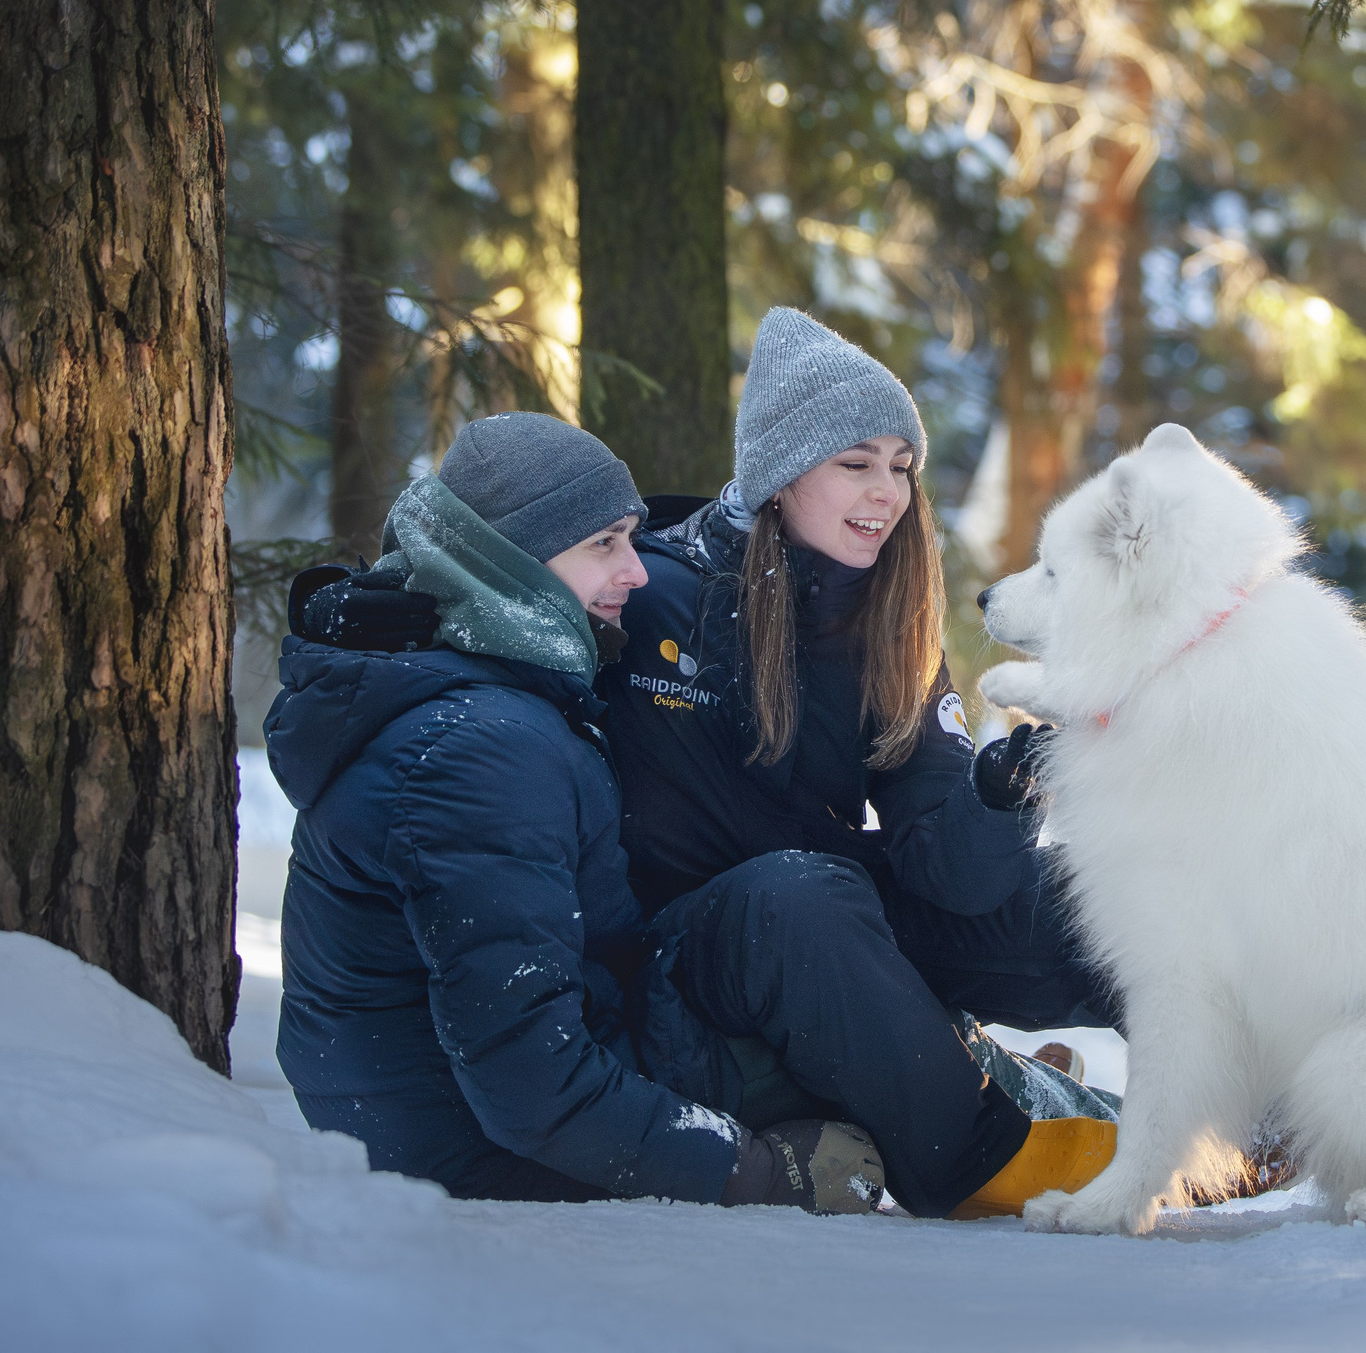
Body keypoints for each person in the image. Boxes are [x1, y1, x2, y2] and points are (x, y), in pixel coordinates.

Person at [267, 413, 910, 1213]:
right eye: (605, 542)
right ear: (510, 559)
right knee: (840, 1042)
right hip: (476, 1155)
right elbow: (532, 1084)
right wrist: (759, 1172)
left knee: (798, 960)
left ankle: (1005, 1087)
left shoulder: (482, 696)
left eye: (633, 539)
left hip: (495, 1104)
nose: (638, 574)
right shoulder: (483, 749)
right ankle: (1013, 1120)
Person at [599, 307, 1119, 1217]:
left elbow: (951, 875)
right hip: (693, 961)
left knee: (1088, 891)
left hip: (835, 930)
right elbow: (505, 612)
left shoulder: (887, 622)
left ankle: (1280, 1096)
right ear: (779, 471)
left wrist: (999, 795)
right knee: (806, 896)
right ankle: (986, 1156)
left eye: (901, 466)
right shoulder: (647, 594)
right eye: (855, 463)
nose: (886, 492)